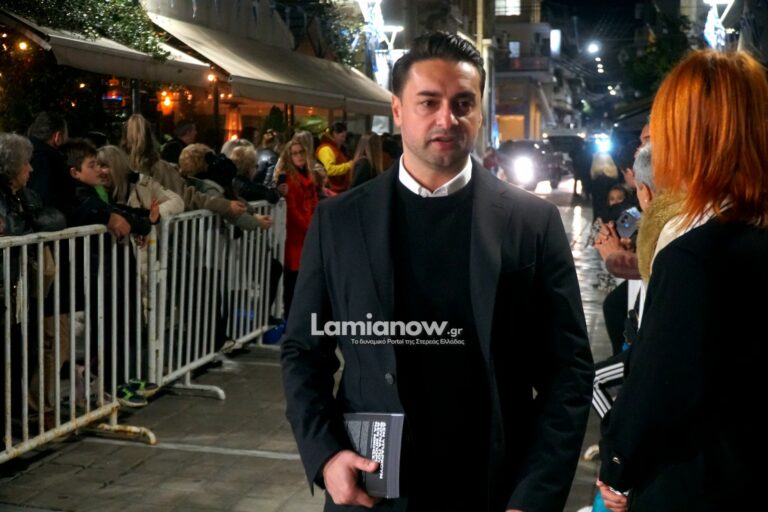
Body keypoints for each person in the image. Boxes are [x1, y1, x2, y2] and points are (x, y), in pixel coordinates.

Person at [281, 32, 594, 512]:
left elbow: (568, 370)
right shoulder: (340, 221)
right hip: (372, 486)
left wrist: (535, 494)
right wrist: (325, 454)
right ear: (398, 109)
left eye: (463, 103)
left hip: (492, 487)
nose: (447, 119)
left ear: (479, 111)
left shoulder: (532, 222)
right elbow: (304, 351)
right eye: (428, 102)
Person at [598, 50, 768, 512]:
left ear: (692, 138)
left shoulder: (694, 256)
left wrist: (617, 463)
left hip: (698, 485)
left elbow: (658, 388)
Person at [276, 137, 319, 318]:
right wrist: (311, 227)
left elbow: (314, 203)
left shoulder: (308, 175)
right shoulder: (290, 179)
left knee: (304, 278)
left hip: (307, 231)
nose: (299, 156)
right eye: (294, 153)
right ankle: (291, 316)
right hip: (295, 236)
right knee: (293, 278)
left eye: (301, 152)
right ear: (289, 157)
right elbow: (292, 211)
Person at [315, 122, 353, 194]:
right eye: (342, 136)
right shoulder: (326, 149)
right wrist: (348, 165)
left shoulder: (334, 148)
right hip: (332, 190)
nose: (344, 139)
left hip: (338, 189)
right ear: (335, 134)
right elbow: (330, 170)